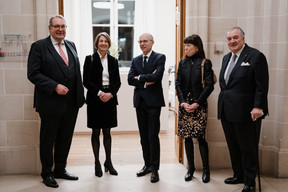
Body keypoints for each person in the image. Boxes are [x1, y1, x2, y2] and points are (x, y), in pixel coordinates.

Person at [27, 15, 85, 188]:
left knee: (65, 138)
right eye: (57, 26)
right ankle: (47, 173)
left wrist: (80, 97)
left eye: (63, 26)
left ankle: (60, 169)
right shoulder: (39, 47)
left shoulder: (71, 45)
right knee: (48, 139)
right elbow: (33, 74)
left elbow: (75, 72)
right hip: (50, 102)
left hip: (71, 103)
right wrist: (54, 86)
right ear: (50, 28)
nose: (61, 29)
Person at [218, 26, 269, 192]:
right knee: (234, 146)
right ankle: (238, 175)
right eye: (229, 39)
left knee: (248, 148)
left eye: (235, 38)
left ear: (243, 39)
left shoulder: (255, 56)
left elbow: (261, 85)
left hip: (247, 112)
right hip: (227, 110)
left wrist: (258, 106)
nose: (232, 41)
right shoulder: (226, 58)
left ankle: (249, 182)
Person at [175, 34, 214, 183]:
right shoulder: (182, 63)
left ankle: (206, 170)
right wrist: (182, 102)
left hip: (199, 104)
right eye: (185, 46)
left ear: (197, 47)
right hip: (185, 105)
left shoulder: (205, 63)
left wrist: (198, 103)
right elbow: (178, 84)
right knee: (187, 137)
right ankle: (190, 169)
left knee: (201, 137)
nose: (185, 48)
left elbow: (210, 85)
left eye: (188, 46)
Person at [127, 33, 166, 183]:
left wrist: (140, 77)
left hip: (154, 103)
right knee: (143, 136)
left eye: (145, 41)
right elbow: (130, 79)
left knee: (152, 136)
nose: (142, 44)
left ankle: (155, 169)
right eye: (140, 41)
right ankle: (147, 165)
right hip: (140, 102)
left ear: (152, 43)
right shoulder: (136, 60)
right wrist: (145, 79)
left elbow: (157, 77)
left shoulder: (159, 57)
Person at [83, 32, 121, 177]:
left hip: (109, 99)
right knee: (95, 131)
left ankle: (108, 162)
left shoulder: (113, 61)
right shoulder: (90, 59)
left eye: (105, 41)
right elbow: (86, 81)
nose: (103, 43)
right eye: (101, 41)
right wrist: (99, 93)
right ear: (96, 43)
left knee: (107, 132)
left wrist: (110, 94)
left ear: (109, 44)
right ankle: (97, 162)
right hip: (95, 99)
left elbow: (117, 82)